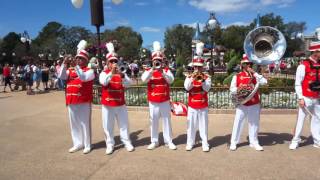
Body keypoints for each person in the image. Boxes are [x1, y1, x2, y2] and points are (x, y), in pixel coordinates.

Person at [58, 42, 94, 154]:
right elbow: (61, 76)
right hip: (71, 100)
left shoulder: (89, 71)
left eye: (81, 59)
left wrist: (76, 66)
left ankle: (87, 145)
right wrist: (64, 63)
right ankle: (77, 143)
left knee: (85, 123)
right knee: (74, 124)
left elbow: (83, 78)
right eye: (77, 58)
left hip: (83, 101)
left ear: (86, 60)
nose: (78, 60)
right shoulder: (70, 70)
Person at [99, 42, 134, 155]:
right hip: (108, 105)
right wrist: (111, 74)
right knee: (108, 126)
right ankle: (109, 144)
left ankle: (126, 142)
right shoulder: (103, 73)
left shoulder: (121, 72)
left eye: (115, 61)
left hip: (120, 104)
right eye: (111, 61)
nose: (114, 63)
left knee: (124, 124)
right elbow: (104, 82)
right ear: (107, 63)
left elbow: (129, 84)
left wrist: (123, 76)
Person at [141, 41, 176, 150]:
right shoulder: (148, 71)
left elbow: (171, 81)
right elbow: (143, 79)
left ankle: (168, 141)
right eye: (156, 61)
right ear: (152, 61)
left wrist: (163, 72)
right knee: (153, 121)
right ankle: (154, 141)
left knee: (166, 121)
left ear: (162, 61)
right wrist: (152, 70)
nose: (158, 62)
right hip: (153, 101)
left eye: (159, 61)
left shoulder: (166, 70)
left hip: (164, 100)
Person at [229, 54, 268, 151]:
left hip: (254, 103)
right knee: (238, 122)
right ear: (242, 65)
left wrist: (255, 73)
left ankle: (254, 142)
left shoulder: (256, 76)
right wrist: (240, 88)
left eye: (250, 63)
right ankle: (234, 142)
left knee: (254, 123)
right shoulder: (237, 76)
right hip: (242, 103)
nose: (248, 65)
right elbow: (232, 89)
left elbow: (264, 82)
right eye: (246, 64)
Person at [289, 41, 320, 150]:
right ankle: (295, 140)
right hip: (306, 97)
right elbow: (298, 83)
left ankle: (317, 140)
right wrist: (300, 98)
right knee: (300, 120)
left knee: (317, 119)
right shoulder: (303, 65)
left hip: (317, 98)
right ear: (315, 52)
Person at [184, 42, 211, 152]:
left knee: (203, 126)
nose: (198, 69)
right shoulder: (189, 76)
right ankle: (190, 143)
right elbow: (187, 87)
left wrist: (203, 80)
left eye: (200, 67)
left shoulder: (207, 77)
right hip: (192, 105)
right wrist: (192, 78)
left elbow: (207, 89)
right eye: (196, 67)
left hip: (203, 105)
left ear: (202, 67)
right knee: (191, 126)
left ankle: (205, 143)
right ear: (194, 66)